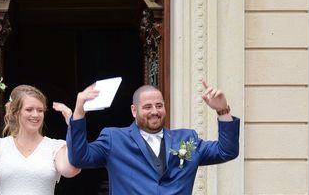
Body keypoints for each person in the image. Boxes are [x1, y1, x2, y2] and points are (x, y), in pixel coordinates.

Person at [66, 81, 239, 195]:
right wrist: (79, 112)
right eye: (147, 106)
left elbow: (226, 151)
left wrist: (222, 111)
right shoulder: (114, 139)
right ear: (134, 111)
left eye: (159, 105)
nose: (154, 111)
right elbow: (79, 158)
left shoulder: (187, 139)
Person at [0, 84, 80, 194]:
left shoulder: (56, 147)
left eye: (40, 110)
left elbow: (71, 170)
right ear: (16, 113)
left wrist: (74, 126)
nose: (36, 115)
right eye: (29, 109)